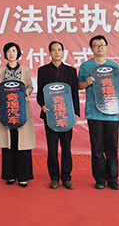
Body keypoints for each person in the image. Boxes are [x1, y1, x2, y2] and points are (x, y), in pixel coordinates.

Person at [78, 35, 119, 190]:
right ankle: (99, 178)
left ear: (106, 47)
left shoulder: (114, 66)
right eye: (96, 45)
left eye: (102, 45)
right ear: (91, 48)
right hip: (94, 113)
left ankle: (113, 179)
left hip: (112, 113)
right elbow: (78, 85)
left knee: (112, 148)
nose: (99, 48)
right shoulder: (86, 66)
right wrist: (87, 82)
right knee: (97, 148)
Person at [37, 41, 80, 190]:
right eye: (54, 50)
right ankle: (54, 178)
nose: (56, 52)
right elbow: (40, 93)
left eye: (59, 49)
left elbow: (74, 93)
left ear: (63, 52)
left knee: (66, 147)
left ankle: (66, 177)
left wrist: (76, 113)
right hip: (50, 115)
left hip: (66, 115)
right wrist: (42, 105)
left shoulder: (71, 71)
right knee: (52, 147)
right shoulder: (43, 70)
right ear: (49, 53)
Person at [0, 42, 35, 188]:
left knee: (22, 144)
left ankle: (23, 177)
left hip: (21, 110)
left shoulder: (25, 70)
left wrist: (27, 93)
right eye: (8, 51)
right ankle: (10, 175)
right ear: (5, 54)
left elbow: (30, 86)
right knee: (8, 143)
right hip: (7, 111)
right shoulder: (1, 71)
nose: (11, 53)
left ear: (18, 53)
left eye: (13, 51)